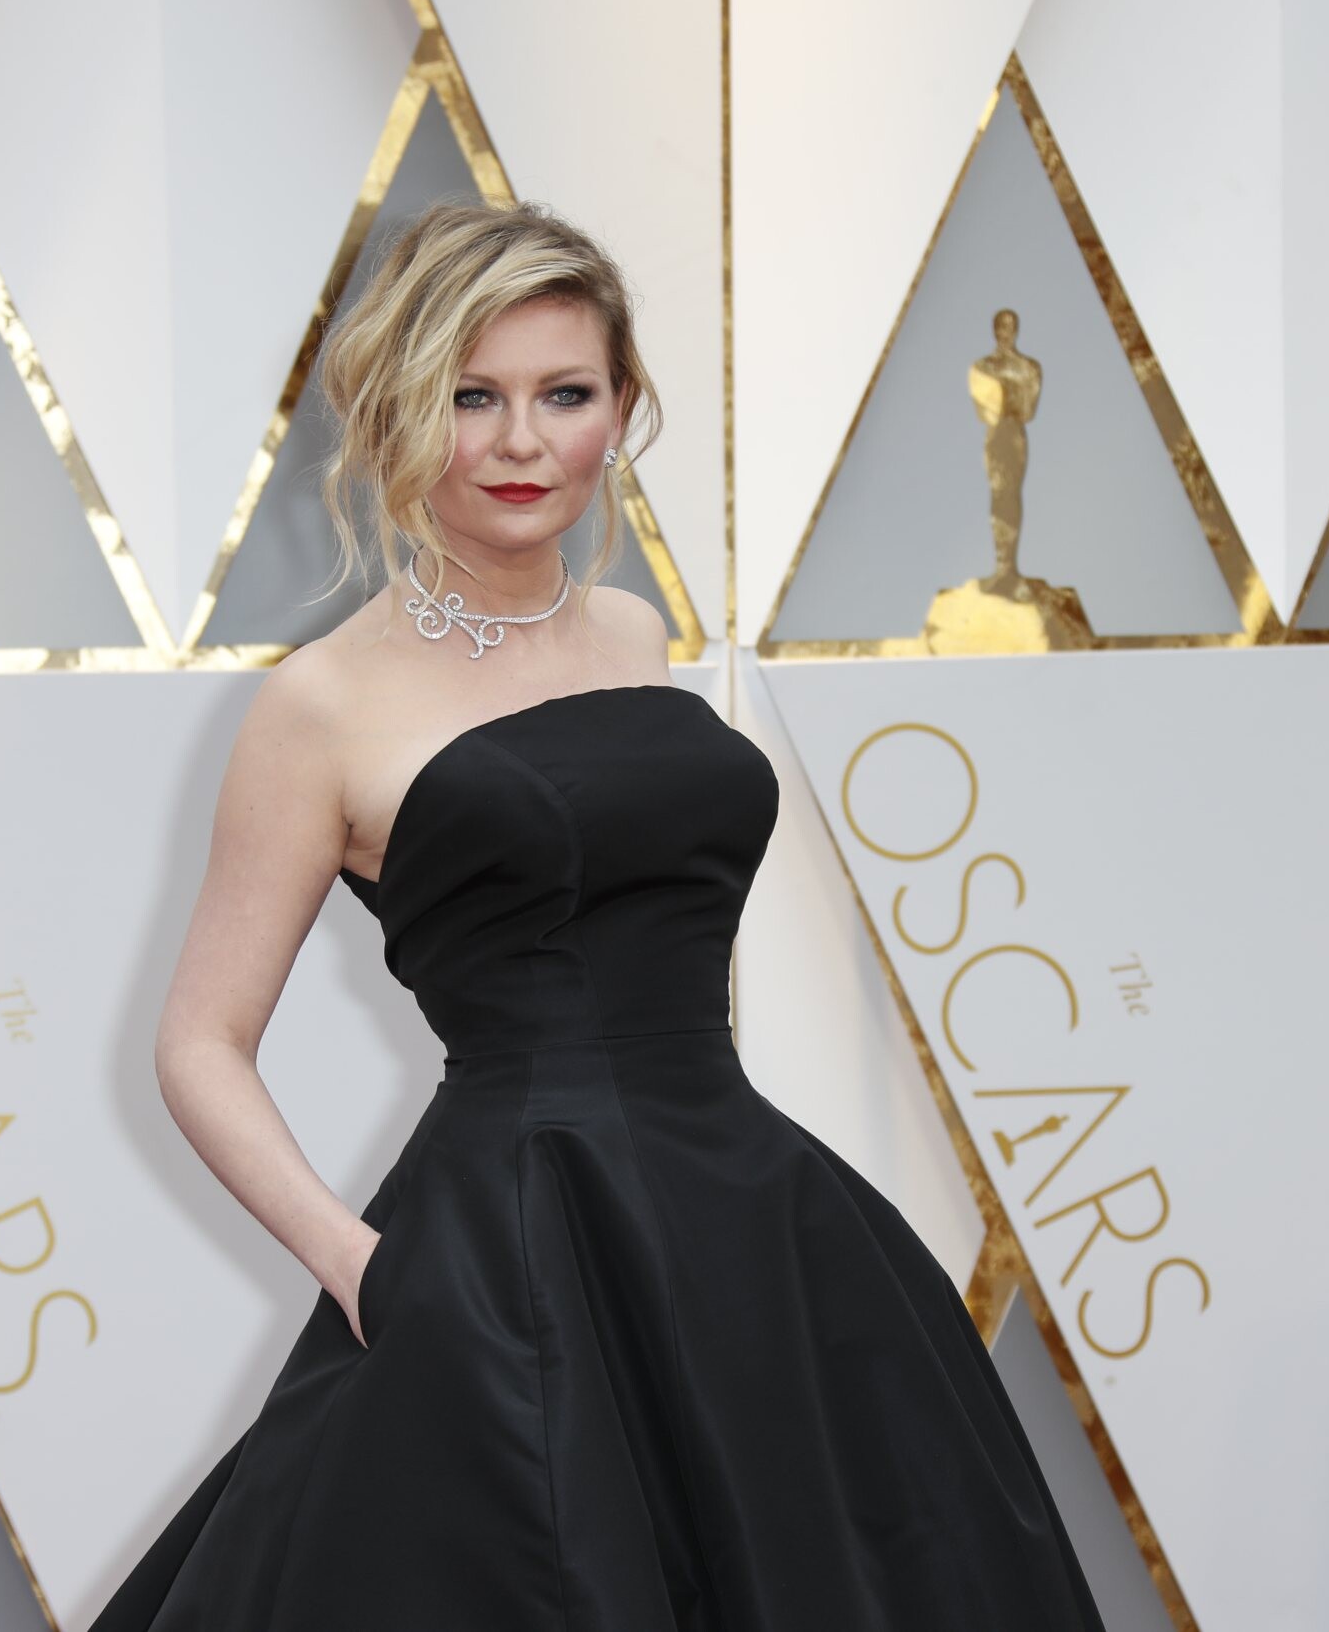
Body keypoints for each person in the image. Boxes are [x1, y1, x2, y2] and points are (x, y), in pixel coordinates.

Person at [92, 198, 1103, 1629]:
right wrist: (357, 1264)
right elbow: (199, 1041)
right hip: (513, 1248)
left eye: (565, 394)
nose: (521, 441)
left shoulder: (633, 633)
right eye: (472, 397)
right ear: (396, 412)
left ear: (622, 408)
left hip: (750, 1219)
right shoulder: (321, 704)